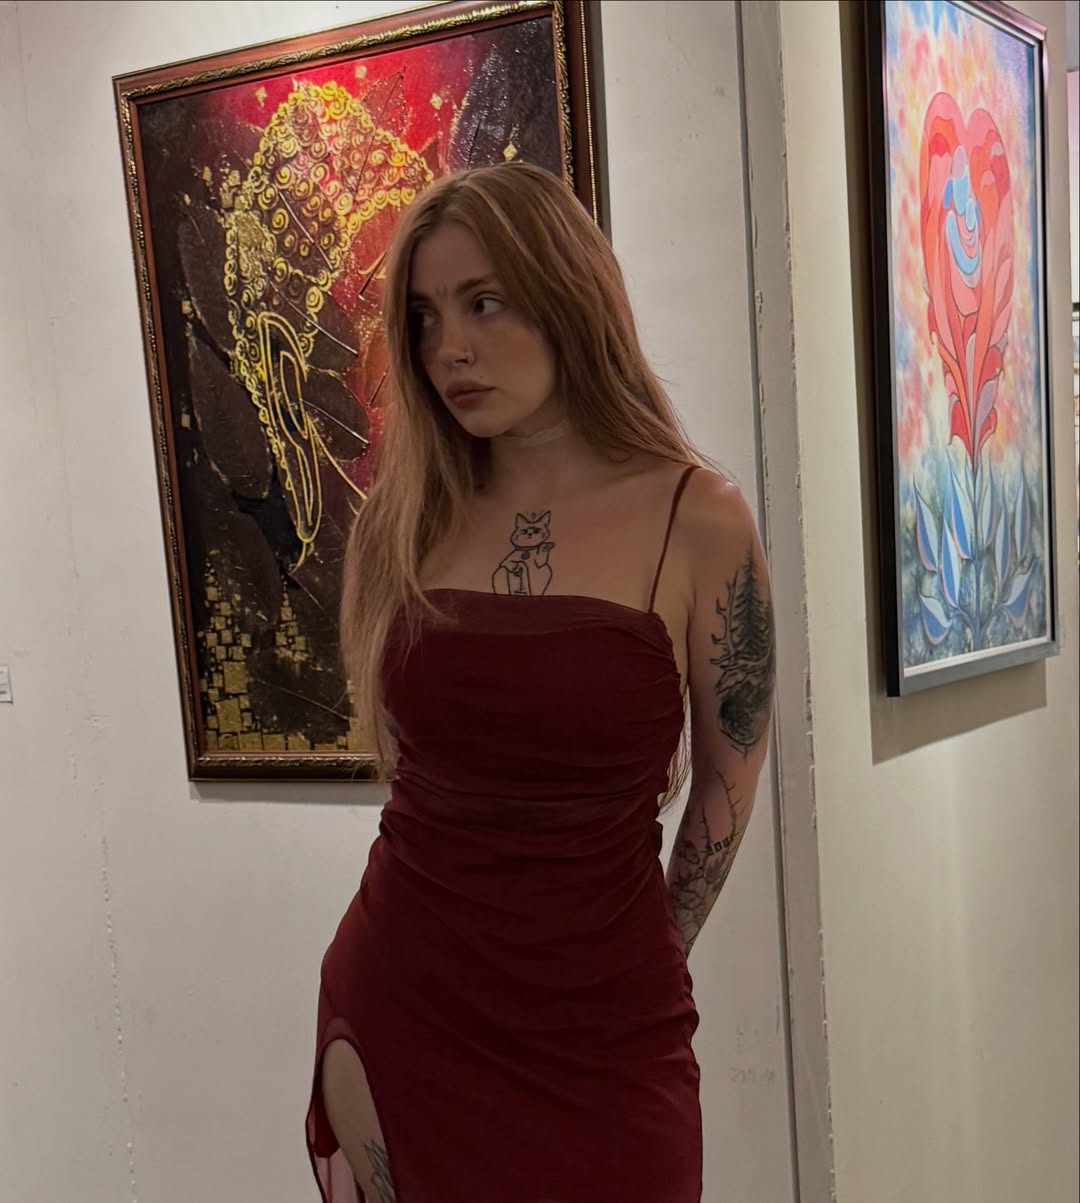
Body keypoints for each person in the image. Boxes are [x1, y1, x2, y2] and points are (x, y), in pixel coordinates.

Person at [305, 161, 776, 1203]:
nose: (449, 347)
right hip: (402, 1007)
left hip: (608, 1032)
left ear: (568, 293)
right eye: (424, 317)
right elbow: (420, 769)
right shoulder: (407, 519)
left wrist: (651, 950)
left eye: (485, 302)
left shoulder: (699, 519)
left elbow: (728, 780)